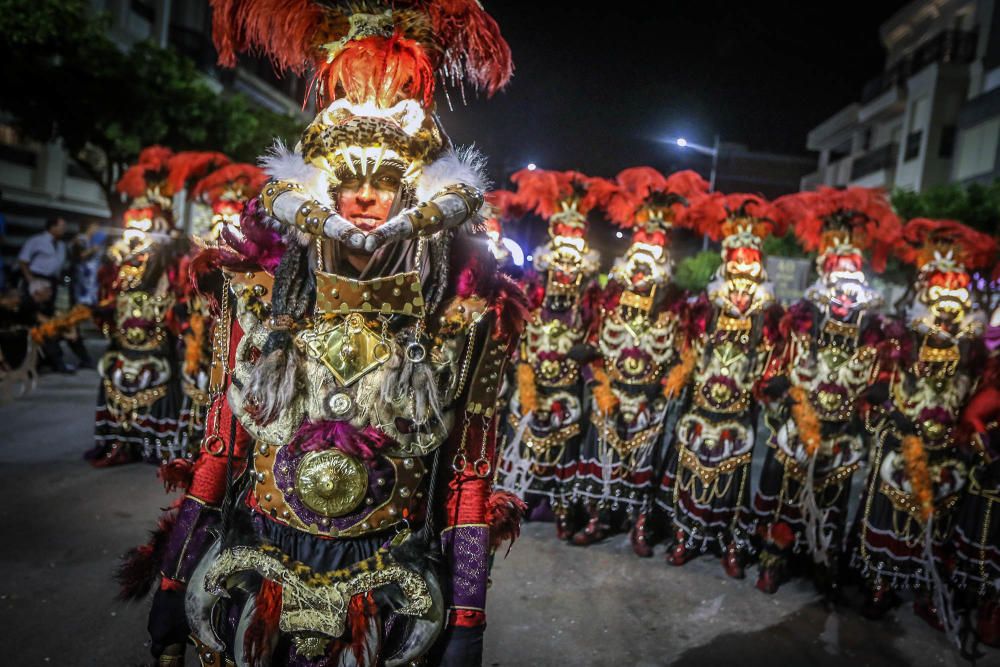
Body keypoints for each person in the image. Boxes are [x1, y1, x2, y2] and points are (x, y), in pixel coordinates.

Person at [124, 3, 525, 665]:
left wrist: (467, 623)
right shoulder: (257, 306)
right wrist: (173, 586)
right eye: (349, 180)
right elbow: (219, 453)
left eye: (385, 180)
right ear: (319, 191)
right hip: (265, 578)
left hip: (391, 596)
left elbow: (467, 480)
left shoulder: (463, 324)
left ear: (415, 197)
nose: (365, 196)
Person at [748, 187, 899, 593]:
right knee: (784, 497)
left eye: (852, 274)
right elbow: (771, 368)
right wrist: (775, 386)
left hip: (842, 434)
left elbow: (884, 378)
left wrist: (877, 394)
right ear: (823, 273)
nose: (845, 291)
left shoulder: (876, 334)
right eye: (837, 272)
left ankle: (822, 560)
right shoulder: (796, 320)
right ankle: (773, 559)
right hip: (797, 429)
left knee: (831, 506)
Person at [852, 219, 994, 634]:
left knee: (936, 527)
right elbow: (875, 388)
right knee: (890, 514)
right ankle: (880, 584)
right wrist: (886, 409)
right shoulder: (898, 341)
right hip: (901, 445)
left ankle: (928, 590)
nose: (948, 312)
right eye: (939, 300)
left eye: (956, 301)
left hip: (946, 452)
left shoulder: (972, 356)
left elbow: (978, 399)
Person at [570, 168, 706, 550]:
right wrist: (599, 386)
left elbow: (686, 356)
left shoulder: (676, 308)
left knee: (642, 466)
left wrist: (668, 386)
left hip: (650, 401)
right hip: (610, 395)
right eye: (639, 258)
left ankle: (638, 524)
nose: (643, 269)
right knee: (601, 456)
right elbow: (590, 347)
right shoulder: (607, 300)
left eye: (653, 258)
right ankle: (598, 519)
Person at [659, 193, 786, 578]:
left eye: (749, 278)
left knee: (734, 478)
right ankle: (685, 535)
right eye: (735, 275)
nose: (741, 290)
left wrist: (771, 386)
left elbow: (774, 363)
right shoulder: (703, 311)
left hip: (738, 412)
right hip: (699, 408)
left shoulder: (770, 319)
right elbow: (685, 353)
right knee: (691, 469)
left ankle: (730, 542)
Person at [495, 169, 600, 540]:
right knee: (523, 444)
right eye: (560, 264)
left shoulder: (589, 305)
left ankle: (561, 509)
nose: (565, 271)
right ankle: (515, 505)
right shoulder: (529, 296)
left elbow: (599, 346)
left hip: (567, 394)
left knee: (564, 449)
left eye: (573, 266)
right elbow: (511, 340)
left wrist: (589, 357)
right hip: (528, 387)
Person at [87, 146, 189, 467]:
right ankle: (118, 440)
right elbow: (109, 291)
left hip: (156, 331)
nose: (136, 234)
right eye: (133, 225)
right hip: (124, 331)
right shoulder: (120, 257)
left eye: (145, 226)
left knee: (156, 382)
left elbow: (177, 283)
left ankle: (153, 444)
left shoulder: (169, 254)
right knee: (116, 378)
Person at [18, 216, 66, 316]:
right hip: (36, 278)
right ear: (52, 227)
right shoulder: (36, 240)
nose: (64, 229)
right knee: (31, 310)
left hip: (52, 281)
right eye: (62, 226)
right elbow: (23, 261)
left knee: (48, 311)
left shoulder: (62, 245)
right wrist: (31, 281)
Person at [70, 220, 105, 307]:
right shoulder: (80, 239)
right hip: (83, 276)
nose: (97, 230)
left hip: (92, 278)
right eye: (96, 227)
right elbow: (80, 255)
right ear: (90, 227)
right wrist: (93, 250)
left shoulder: (93, 241)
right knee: (81, 303)